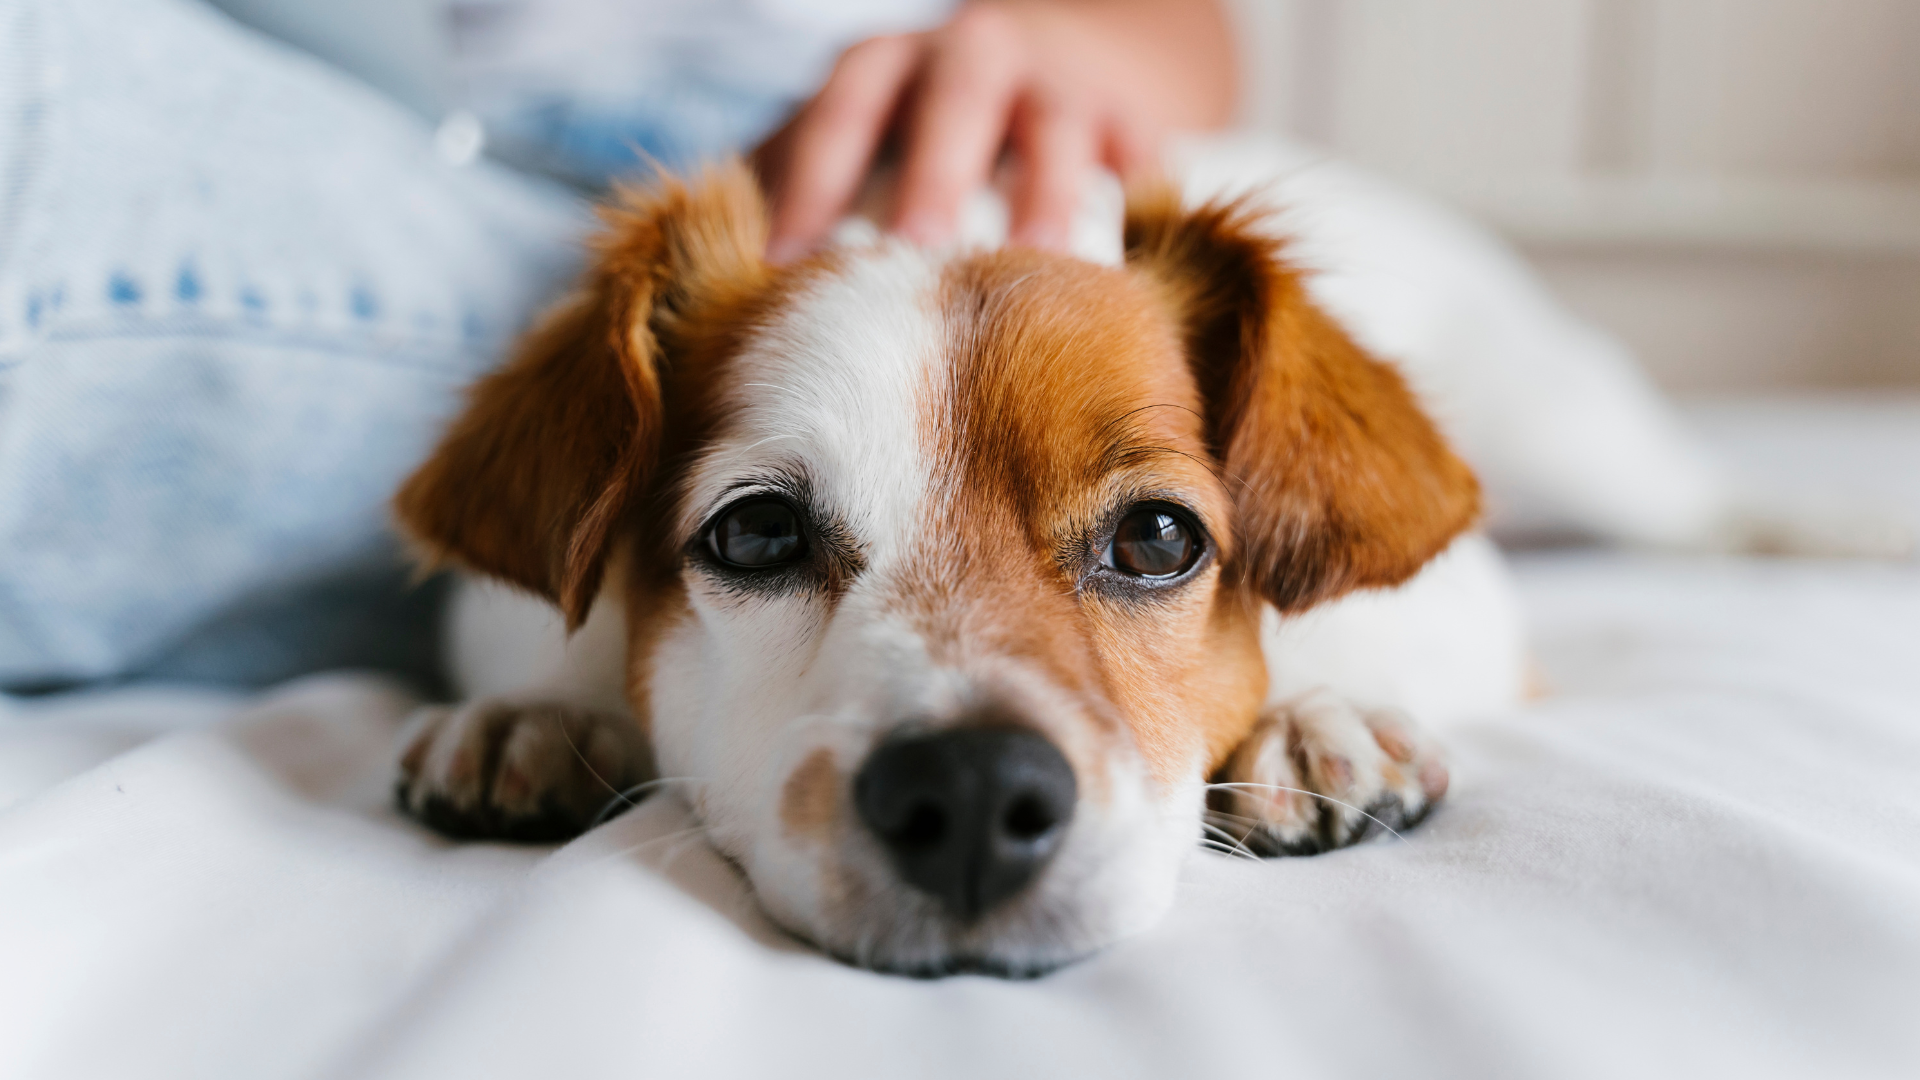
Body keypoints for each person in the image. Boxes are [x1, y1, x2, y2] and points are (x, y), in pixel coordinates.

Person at [0, 0, 1236, 693]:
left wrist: (1043, 47)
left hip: (886, 185)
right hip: (386, 145)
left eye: (1150, 543)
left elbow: (1189, 36)